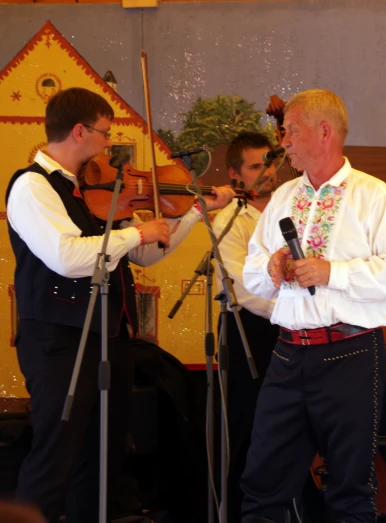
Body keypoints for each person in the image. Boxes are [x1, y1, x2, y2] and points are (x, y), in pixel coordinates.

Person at [5, 87, 235, 523]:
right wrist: (136, 233)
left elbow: (144, 254)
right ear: (79, 131)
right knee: (56, 456)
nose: (110, 144)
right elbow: (68, 257)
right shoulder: (33, 186)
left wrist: (191, 214)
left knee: (102, 457)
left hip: (107, 340)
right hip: (58, 342)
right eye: (105, 133)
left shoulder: (92, 191)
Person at [241, 89, 386, 523]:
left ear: (324, 131)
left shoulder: (374, 196)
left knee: (349, 486)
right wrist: (273, 266)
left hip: (350, 354)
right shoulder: (282, 197)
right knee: (262, 483)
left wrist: (332, 272)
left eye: (291, 131)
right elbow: (249, 273)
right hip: (287, 353)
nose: (284, 142)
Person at [211, 131, 281, 523]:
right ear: (236, 175)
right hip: (248, 333)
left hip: (291, 332)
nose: (267, 173)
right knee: (249, 432)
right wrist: (294, 310)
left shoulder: (291, 209)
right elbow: (244, 289)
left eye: (269, 163)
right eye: (256, 167)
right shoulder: (231, 221)